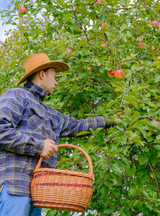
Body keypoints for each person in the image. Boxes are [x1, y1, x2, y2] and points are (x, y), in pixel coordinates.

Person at [0, 53, 116, 216]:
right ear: (42, 74)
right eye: (54, 77)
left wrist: (113, 120)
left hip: (37, 194)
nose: (56, 82)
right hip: (15, 188)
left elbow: (79, 126)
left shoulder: (51, 114)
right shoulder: (17, 95)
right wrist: (39, 146)